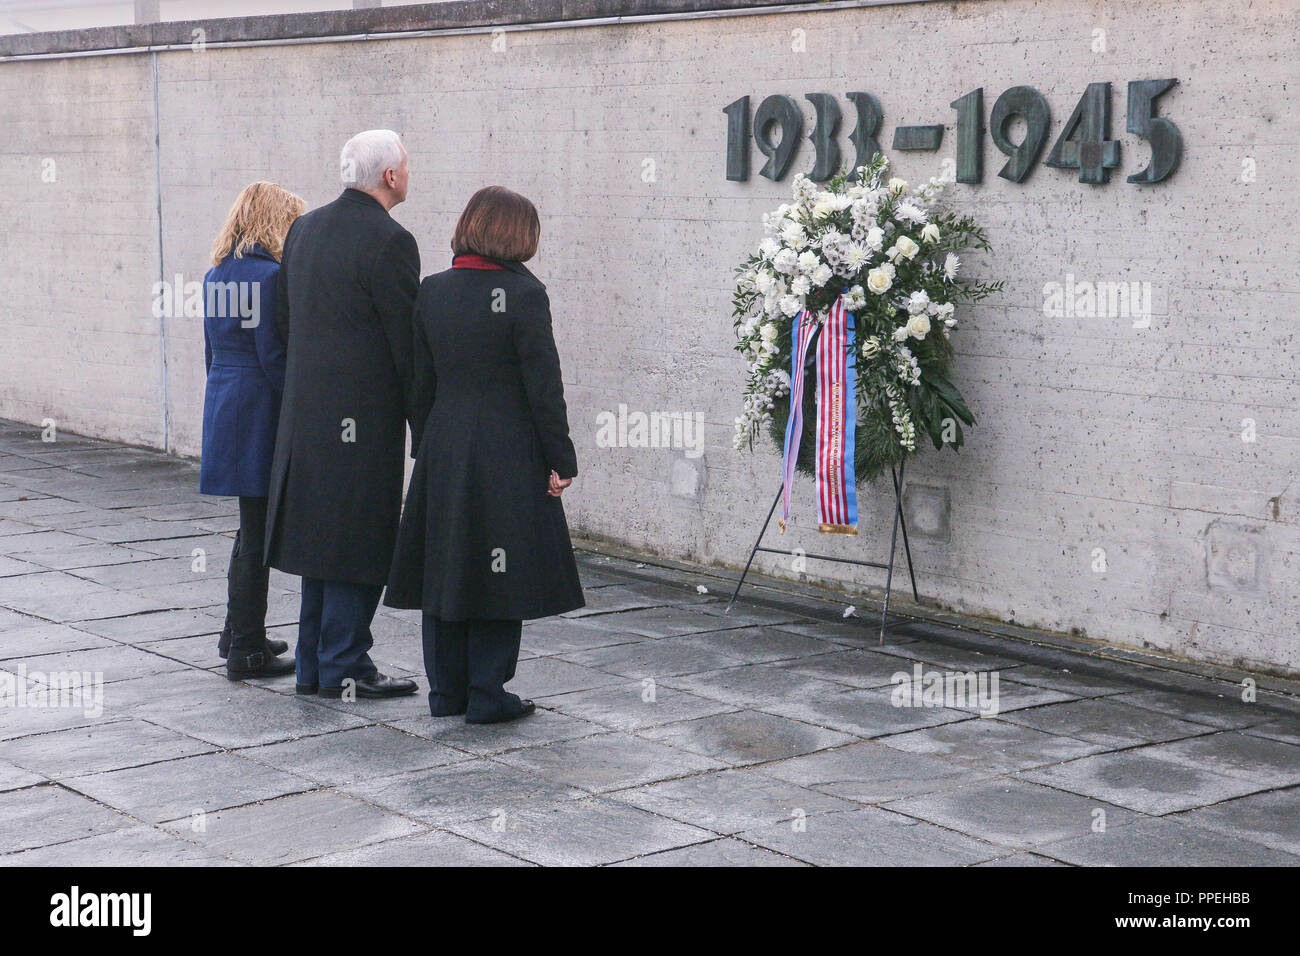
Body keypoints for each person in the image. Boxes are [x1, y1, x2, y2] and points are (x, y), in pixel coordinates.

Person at [385, 185, 585, 724]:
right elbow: (544, 388)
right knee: (500, 568)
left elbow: (418, 383)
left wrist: (427, 446)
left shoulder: (433, 290)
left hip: (445, 446)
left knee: (446, 566)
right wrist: (561, 461)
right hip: (507, 450)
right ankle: (488, 694)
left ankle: (445, 692)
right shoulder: (524, 296)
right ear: (519, 234)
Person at [263, 130, 420, 700]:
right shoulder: (391, 240)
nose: (408, 174)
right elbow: (406, 345)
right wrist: (422, 426)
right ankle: (347, 663)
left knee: (321, 540)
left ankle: (315, 665)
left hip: (306, 417)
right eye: (406, 166)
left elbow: (284, 324)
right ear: (389, 177)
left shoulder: (303, 228)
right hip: (363, 422)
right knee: (359, 538)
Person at [200, 181, 305, 680]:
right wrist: (304, 410)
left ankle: (238, 632)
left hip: (226, 404)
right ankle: (246, 649)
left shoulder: (216, 273)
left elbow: (212, 353)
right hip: (259, 411)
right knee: (258, 532)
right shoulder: (270, 277)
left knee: (250, 526)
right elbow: (274, 357)